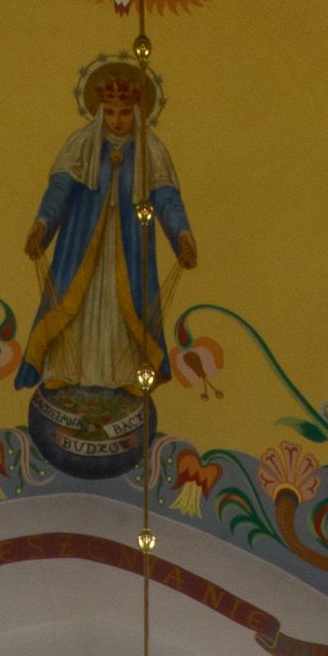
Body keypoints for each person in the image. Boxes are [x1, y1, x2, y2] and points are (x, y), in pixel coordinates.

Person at [19, 53, 198, 419]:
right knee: (74, 302)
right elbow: (59, 190)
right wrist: (41, 226)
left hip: (129, 243)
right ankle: (63, 370)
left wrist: (182, 235)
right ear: (100, 111)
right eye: (111, 112)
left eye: (125, 113)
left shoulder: (151, 150)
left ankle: (126, 375)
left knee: (125, 306)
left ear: (139, 112)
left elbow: (166, 198)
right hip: (81, 241)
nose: (117, 120)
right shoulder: (81, 145)